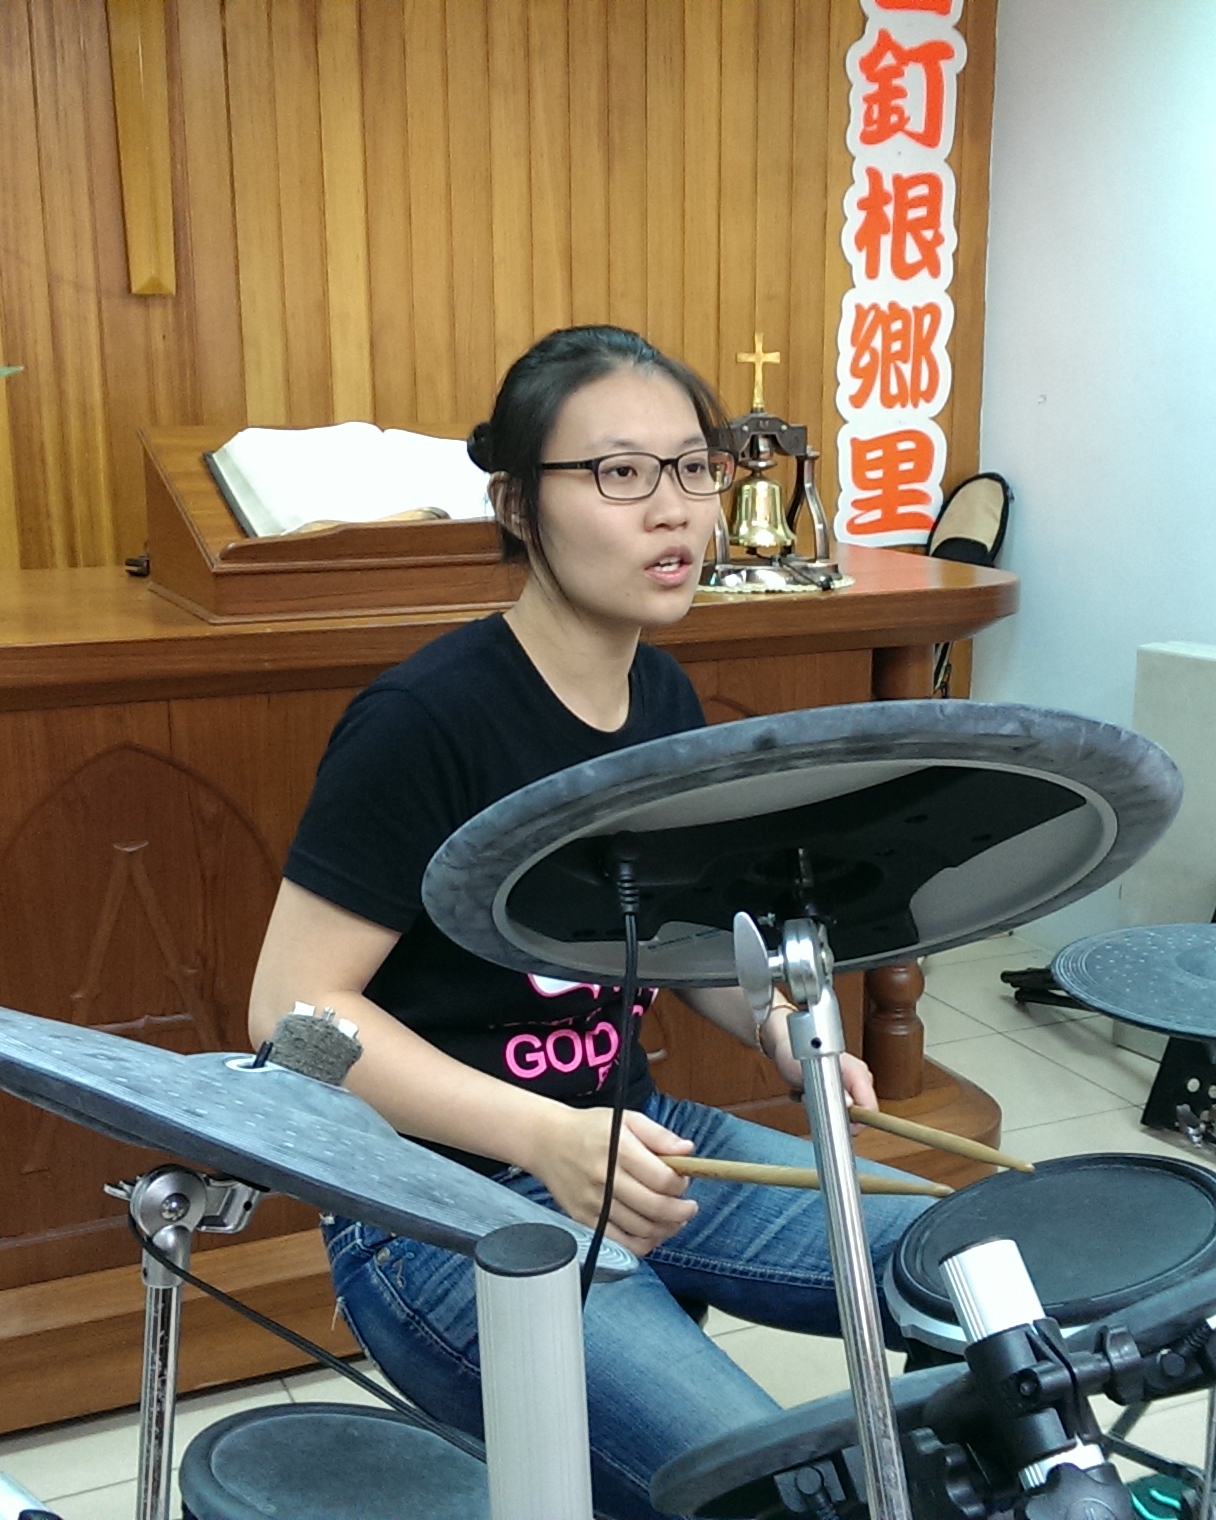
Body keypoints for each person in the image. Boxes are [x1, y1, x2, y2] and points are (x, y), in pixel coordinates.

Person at [249, 324, 932, 1520]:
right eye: (620, 471)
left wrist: (777, 1025)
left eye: (694, 467)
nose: (674, 509)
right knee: (774, 1491)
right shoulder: (423, 718)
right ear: (517, 504)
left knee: (977, 1266)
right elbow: (291, 1012)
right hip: (434, 1206)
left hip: (636, 1138)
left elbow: (675, 928)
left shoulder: (657, 688)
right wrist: (543, 1134)